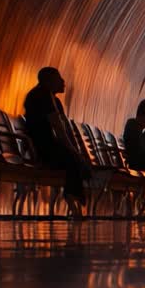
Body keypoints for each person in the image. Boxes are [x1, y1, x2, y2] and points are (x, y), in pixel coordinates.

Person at [23, 67, 88, 218]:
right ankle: (73, 197)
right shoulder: (43, 95)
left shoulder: (52, 99)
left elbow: (64, 126)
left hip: (46, 145)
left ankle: (74, 196)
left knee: (76, 159)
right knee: (73, 160)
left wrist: (75, 149)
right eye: (59, 78)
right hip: (42, 147)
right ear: (49, 81)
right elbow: (59, 129)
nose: (63, 81)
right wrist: (74, 150)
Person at [123, 98, 145, 171]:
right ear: (144, 115)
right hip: (136, 167)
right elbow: (138, 155)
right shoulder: (134, 129)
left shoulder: (134, 126)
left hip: (135, 164)